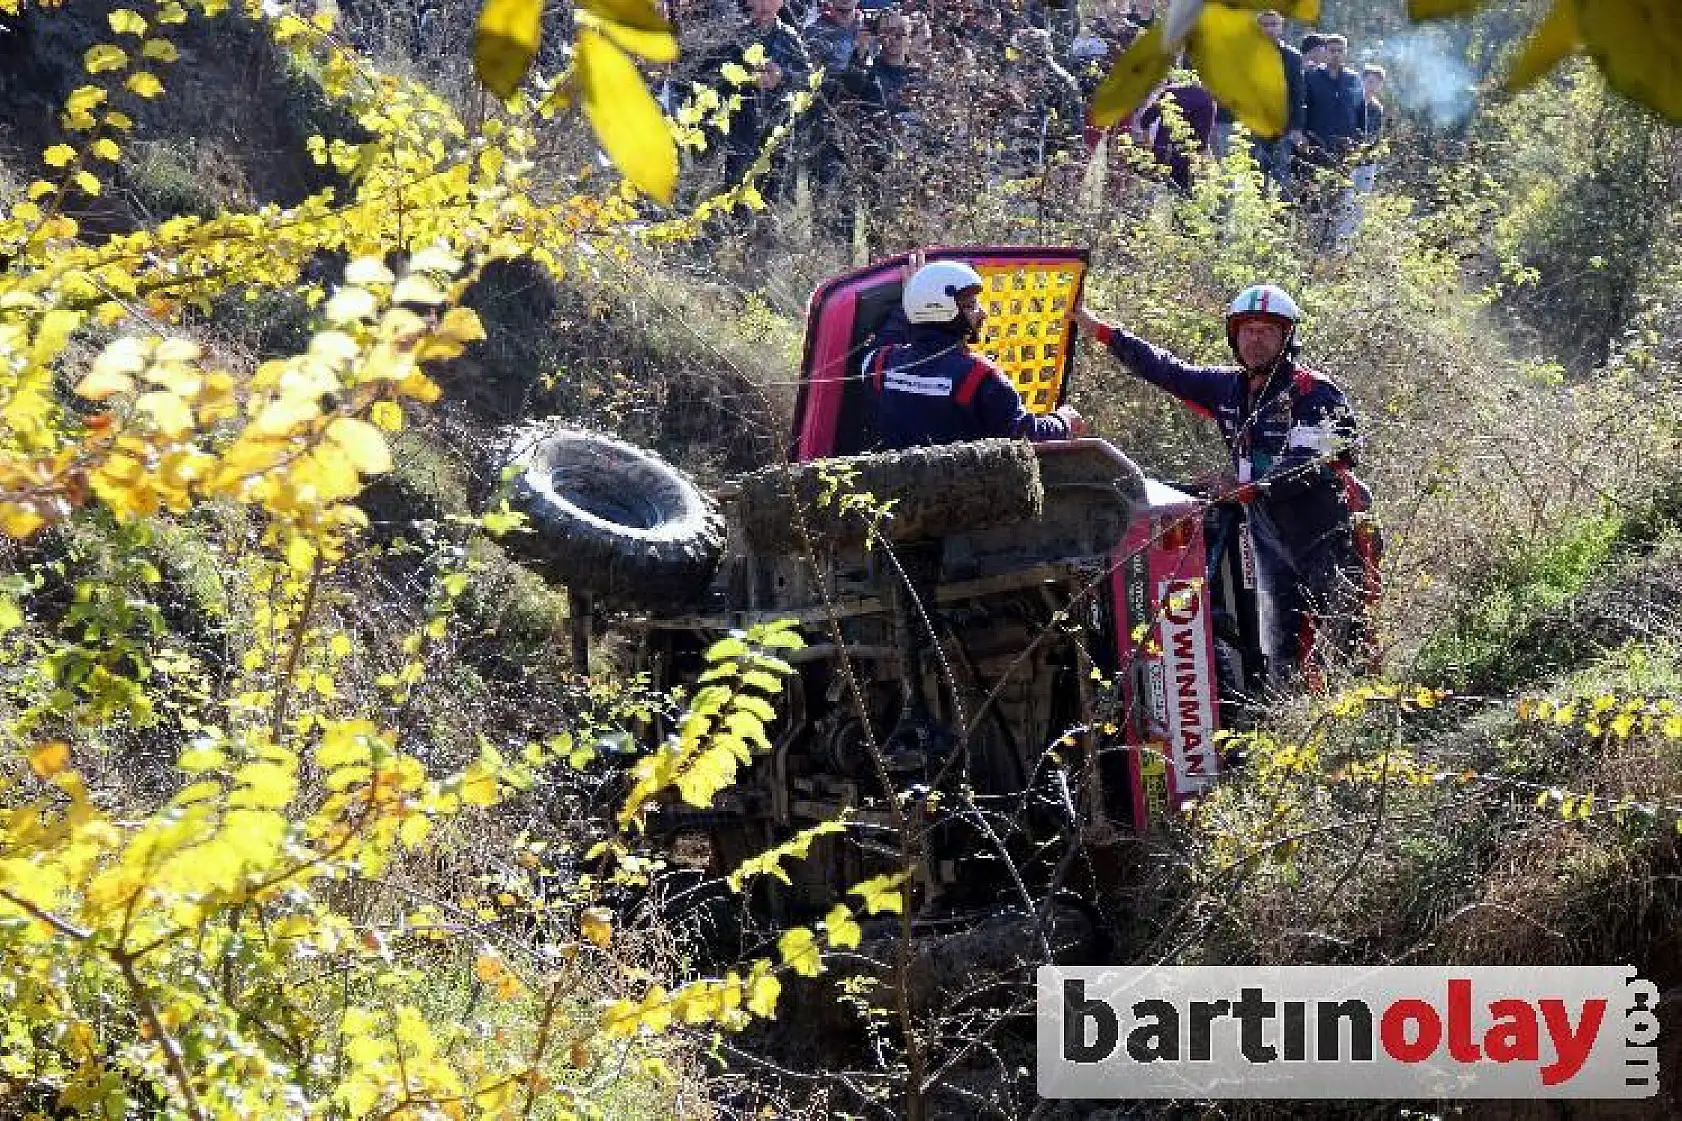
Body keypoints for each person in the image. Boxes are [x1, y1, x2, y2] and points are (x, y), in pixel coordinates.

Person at [1075, 286, 1378, 684]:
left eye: (1267, 331)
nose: (1255, 340)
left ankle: (1368, 721)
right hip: (1271, 534)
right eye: (1247, 330)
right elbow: (1166, 369)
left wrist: (1243, 487)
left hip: (1329, 528)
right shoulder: (1228, 389)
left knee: (1346, 632)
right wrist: (1096, 328)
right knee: (1283, 643)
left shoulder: (1314, 392)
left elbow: (1309, 464)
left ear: (1287, 338)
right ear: (1233, 337)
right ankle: (1293, 722)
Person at [867, 260, 1084, 449]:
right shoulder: (981, 377)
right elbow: (1025, 435)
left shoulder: (880, 365)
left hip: (895, 495)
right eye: (971, 306)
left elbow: (886, 341)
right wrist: (1063, 421)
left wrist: (915, 297)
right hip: (962, 494)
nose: (983, 312)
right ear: (945, 312)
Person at [1252, 10, 1307, 194]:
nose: (1269, 29)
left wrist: (1297, 128)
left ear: (1281, 27)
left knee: (1281, 177)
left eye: (1273, 24)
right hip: (1254, 127)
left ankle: (1278, 221)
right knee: (1255, 176)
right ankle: (1254, 219)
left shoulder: (1293, 56)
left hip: (1284, 128)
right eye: (1265, 24)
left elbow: (1299, 95)